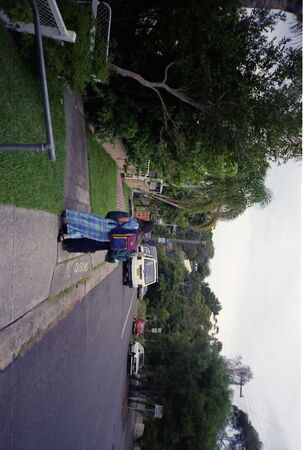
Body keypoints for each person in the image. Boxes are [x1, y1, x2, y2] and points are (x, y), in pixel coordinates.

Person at [58, 210, 154, 261]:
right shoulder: (136, 238)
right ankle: (64, 236)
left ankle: (67, 214)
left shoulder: (135, 223)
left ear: (145, 222)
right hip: (107, 238)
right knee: (86, 233)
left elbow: (120, 220)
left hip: (108, 227)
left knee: (88, 220)